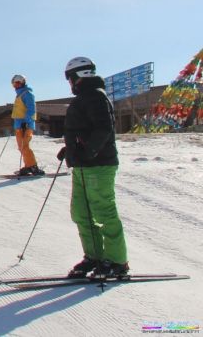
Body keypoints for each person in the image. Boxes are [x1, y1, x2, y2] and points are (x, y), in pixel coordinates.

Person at [59, 57, 129, 279]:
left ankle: (117, 261)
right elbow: (81, 130)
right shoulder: (85, 98)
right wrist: (69, 150)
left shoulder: (96, 97)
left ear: (79, 76)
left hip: (98, 165)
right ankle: (95, 256)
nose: (69, 83)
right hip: (82, 165)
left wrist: (87, 152)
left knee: (103, 211)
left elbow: (103, 129)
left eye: (70, 78)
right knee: (81, 213)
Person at [11, 74, 44, 176]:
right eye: (14, 84)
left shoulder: (27, 94)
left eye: (17, 83)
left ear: (23, 82)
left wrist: (26, 121)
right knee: (21, 147)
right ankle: (28, 166)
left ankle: (33, 166)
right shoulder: (19, 95)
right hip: (19, 126)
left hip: (26, 125)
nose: (15, 86)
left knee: (24, 146)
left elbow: (31, 109)